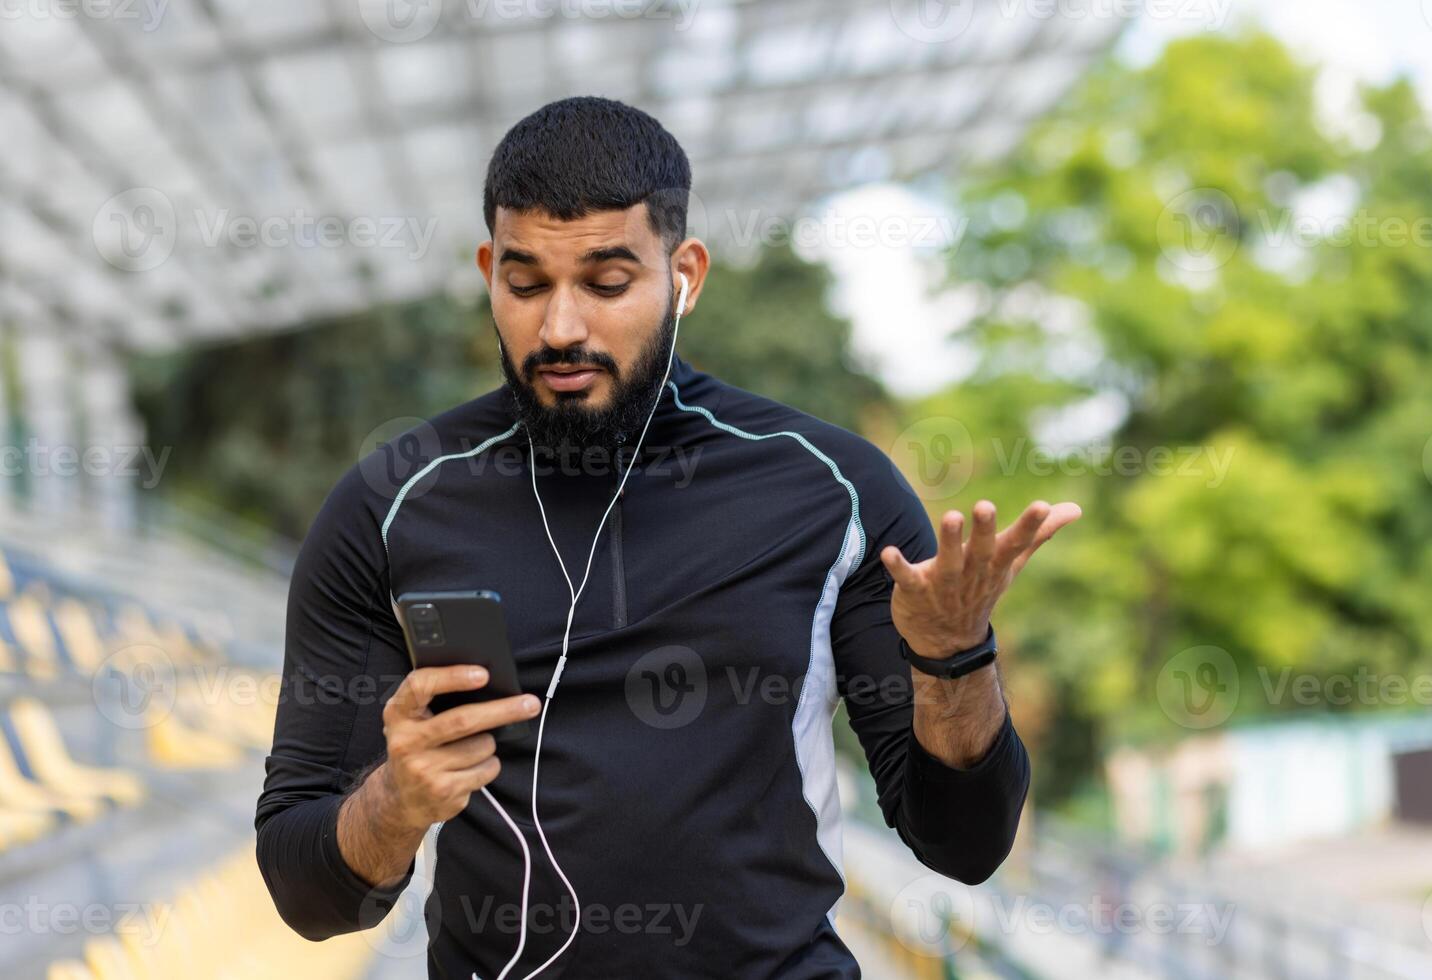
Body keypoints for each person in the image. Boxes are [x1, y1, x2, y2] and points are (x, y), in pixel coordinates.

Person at [254, 95, 1080, 980]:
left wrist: (955, 660)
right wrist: (396, 801)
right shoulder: (389, 504)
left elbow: (964, 843)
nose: (561, 327)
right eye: (526, 283)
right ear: (489, 268)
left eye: (607, 283)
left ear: (684, 274)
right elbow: (306, 893)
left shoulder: (832, 492)